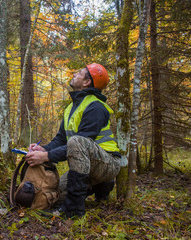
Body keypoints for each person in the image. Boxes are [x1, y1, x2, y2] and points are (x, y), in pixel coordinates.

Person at [25, 63, 121, 218]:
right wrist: (43, 149)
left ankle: (74, 210)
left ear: (86, 82)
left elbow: (79, 143)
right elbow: (61, 139)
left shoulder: (95, 107)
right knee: (58, 193)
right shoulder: (71, 108)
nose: (74, 74)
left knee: (77, 141)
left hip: (108, 163)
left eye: (79, 73)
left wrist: (46, 157)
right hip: (88, 166)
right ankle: (101, 186)